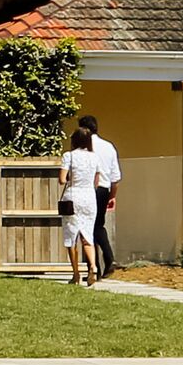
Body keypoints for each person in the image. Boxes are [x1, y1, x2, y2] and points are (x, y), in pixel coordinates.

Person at [58, 124, 104, 283]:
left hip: (73, 196)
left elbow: (62, 179)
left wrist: (71, 177)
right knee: (87, 235)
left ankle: (76, 274)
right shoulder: (95, 157)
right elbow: (96, 182)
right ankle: (93, 266)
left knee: (71, 236)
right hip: (90, 198)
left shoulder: (69, 156)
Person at [78, 115, 122, 276]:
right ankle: (102, 262)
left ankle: (99, 263)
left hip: (87, 189)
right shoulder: (109, 147)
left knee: (89, 227)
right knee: (98, 224)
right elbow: (115, 177)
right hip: (104, 189)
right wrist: (112, 195)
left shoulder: (83, 148)